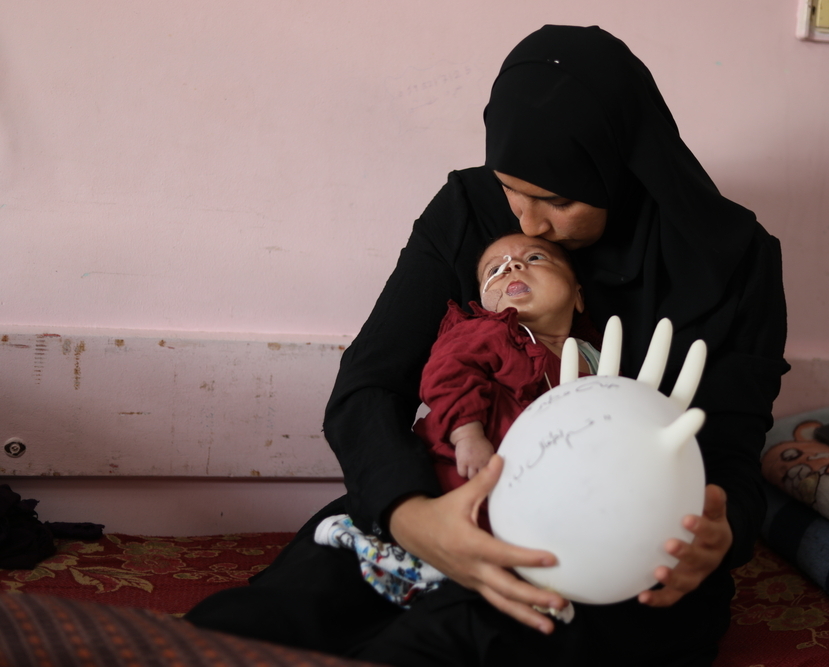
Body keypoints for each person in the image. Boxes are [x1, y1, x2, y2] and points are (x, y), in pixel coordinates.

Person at [186, 25, 789, 666]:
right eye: (511, 188)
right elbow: (369, 385)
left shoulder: (733, 262)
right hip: (442, 497)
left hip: (612, 547)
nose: (527, 225)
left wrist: (718, 532)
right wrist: (413, 516)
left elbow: (729, 457)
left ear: (622, 164)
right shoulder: (468, 210)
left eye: (557, 200)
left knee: (462, 640)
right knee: (251, 627)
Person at [415, 233, 599, 490]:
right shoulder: (486, 332)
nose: (512, 267)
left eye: (535, 257)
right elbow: (450, 373)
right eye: (495, 270)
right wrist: (467, 434)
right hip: (472, 467)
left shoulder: (595, 358)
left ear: (578, 296)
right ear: (486, 304)